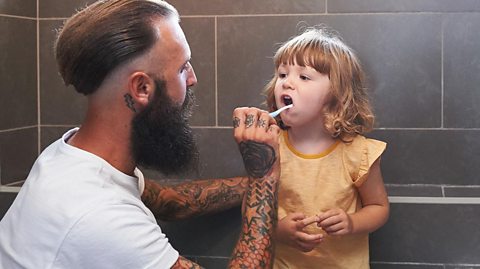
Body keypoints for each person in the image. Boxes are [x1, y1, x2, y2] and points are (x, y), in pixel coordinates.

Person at [0, 0, 281, 268]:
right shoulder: (100, 216)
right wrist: (264, 177)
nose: (193, 78)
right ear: (142, 89)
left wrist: (271, 178)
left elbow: (172, 202)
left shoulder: (72, 157)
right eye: (183, 68)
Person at [262, 27, 390, 268]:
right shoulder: (270, 146)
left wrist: (351, 223)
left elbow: (379, 207)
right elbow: (253, 211)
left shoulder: (357, 153)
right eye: (282, 74)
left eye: (303, 77)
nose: (287, 83)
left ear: (335, 94)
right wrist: (278, 231)